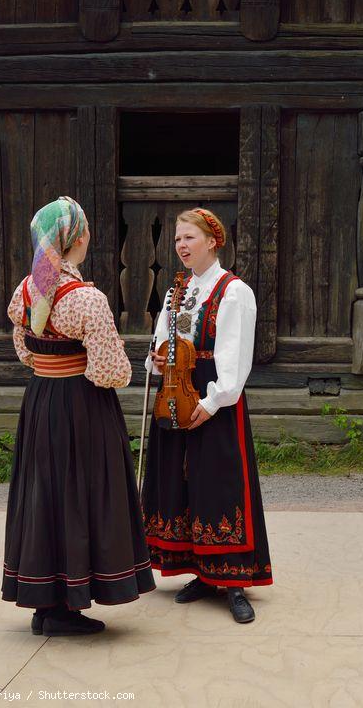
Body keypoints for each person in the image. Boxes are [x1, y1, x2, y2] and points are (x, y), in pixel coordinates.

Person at [2, 195, 155, 635]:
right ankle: (66, 607)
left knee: (44, 493)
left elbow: (25, 351)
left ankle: (42, 602)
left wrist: (52, 366)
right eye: (85, 230)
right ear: (76, 238)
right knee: (78, 493)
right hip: (81, 407)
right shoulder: (87, 299)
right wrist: (115, 358)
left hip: (41, 401)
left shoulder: (26, 290)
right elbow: (110, 372)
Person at [140, 207, 273, 623]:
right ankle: (200, 572)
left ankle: (233, 581)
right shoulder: (172, 292)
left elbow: (236, 356)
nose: (181, 245)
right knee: (180, 483)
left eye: (189, 238)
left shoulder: (234, 291)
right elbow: (159, 344)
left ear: (213, 241)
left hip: (214, 397)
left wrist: (214, 401)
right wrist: (155, 363)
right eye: (177, 239)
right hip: (174, 394)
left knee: (219, 482)